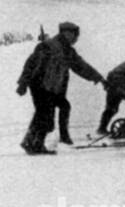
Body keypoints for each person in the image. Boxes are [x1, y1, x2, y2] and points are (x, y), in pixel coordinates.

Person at [16, 22, 104, 155]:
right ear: (67, 33)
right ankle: (36, 144)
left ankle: (33, 141)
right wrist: (23, 83)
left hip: (51, 87)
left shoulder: (66, 49)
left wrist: (97, 77)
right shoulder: (48, 46)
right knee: (45, 114)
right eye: (75, 35)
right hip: (40, 85)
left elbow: (80, 66)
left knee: (58, 108)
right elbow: (30, 64)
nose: (76, 39)